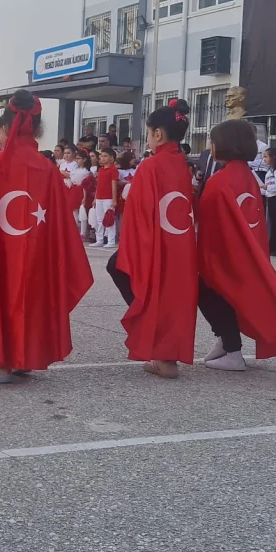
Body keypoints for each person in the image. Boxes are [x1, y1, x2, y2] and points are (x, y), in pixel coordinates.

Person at [0, 90, 94, 382]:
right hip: (36, 249)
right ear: (39, 129)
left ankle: (1, 363)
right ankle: (25, 358)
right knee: (31, 296)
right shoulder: (48, 168)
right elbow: (61, 222)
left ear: (5, 128)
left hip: (0, 249)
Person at [196, 119, 276, 369]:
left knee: (212, 293)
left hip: (224, 253)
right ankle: (226, 341)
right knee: (224, 295)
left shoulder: (221, 179)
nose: (210, 147)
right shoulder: (247, 176)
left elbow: (208, 219)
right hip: (245, 251)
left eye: (212, 142)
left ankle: (231, 348)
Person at [108, 100, 197, 379]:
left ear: (158, 134)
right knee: (170, 294)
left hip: (155, 240)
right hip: (179, 242)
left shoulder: (151, 165)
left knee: (132, 277)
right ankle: (166, 353)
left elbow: (139, 209)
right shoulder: (183, 164)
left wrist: (134, 248)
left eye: (148, 133)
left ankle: (159, 349)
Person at [259, 147, 276, 256]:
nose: (264, 159)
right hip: (270, 198)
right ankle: (273, 245)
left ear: (273, 157)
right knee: (272, 224)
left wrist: (268, 188)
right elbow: (268, 187)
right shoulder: (269, 171)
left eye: (266, 157)